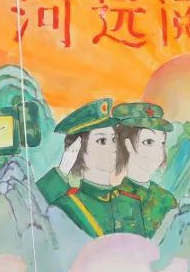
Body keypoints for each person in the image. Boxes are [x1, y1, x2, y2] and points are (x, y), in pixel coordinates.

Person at [36, 97, 130, 238]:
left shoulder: (128, 203)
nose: (114, 147)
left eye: (113, 139)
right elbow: (33, 204)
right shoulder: (67, 206)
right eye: (102, 141)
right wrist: (62, 170)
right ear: (77, 149)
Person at [111, 102, 179, 238]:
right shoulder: (112, 200)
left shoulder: (168, 199)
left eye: (162, 143)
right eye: (148, 142)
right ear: (128, 144)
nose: (159, 152)